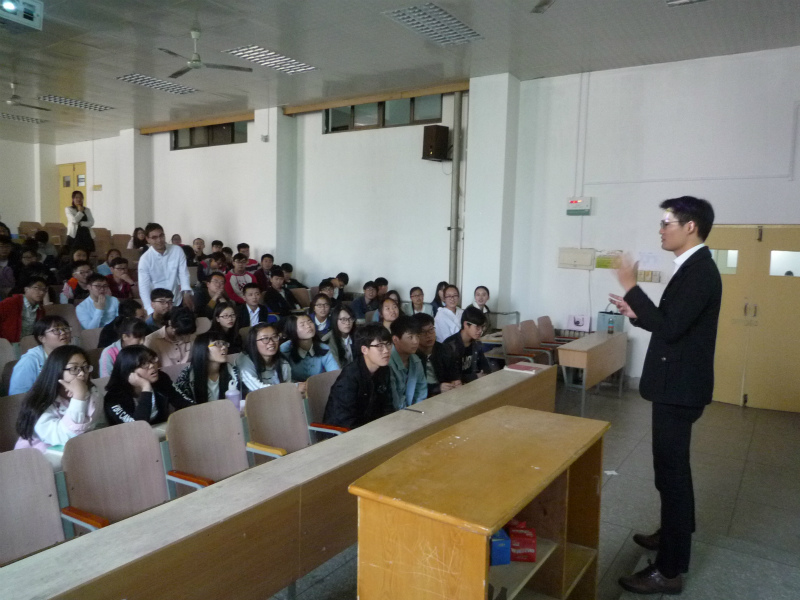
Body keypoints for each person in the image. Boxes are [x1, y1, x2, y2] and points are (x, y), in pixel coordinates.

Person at [611, 196, 722, 596]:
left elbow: (671, 328)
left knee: (672, 477)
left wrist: (630, 285)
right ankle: (673, 534)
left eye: (666, 222)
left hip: (680, 389)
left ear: (690, 226)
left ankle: (669, 570)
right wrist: (636, 312)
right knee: (671, 472)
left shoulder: (701, 271)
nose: (661, 229)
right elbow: (670, 323)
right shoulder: (691, 267)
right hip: (677, 385)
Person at [14, 345, 100, 452]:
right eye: (74, 368)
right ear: (57, 371)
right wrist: (78, 398)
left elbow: (94, 428)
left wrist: (80, 396)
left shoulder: (92, 393)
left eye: (85, 367)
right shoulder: (40, 403)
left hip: (76, 453)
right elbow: (65, 438)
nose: (82, 373)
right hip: (36, 457)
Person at [322, 323, 394, 430]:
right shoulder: (349, 377)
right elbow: (344, 420)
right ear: (364, 349)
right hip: (342, 433)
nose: (386, 350)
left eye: (388, 344)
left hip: (372, 428)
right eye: (379, 346)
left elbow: (387, 407)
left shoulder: (384, 370)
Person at [104, 345, 192, 425]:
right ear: (129, 371)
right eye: (144, 364)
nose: (152, 366)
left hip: (161, 432)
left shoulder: (161, 379)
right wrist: (146, 388)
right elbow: (137, 427)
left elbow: (185, 403)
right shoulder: (113, 398)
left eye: (152, 360)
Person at [137, 222, 194, 315]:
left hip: (176, 300)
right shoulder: (145, 259)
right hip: (158, 305)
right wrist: (150, 310)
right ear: (147, 239)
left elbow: (183, 273)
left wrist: (186, 293)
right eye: (154, 237)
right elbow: (144, 287)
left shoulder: (177, 250)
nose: (159, 240)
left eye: (161, 236)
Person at [8, 316, 71, 395]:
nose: (63, 332)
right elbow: (17, 396)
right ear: (42, 338)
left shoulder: (73, 355)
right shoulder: (29, 361)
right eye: (56, 330)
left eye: (65, 328)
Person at [174, 331, 241, 404]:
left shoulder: (233, 372)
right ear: (203, 348)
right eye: (217, 343)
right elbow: (184, 406)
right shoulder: (187, 376)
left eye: (224, 343)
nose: (224, 347)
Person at [279, 314, 338, 389]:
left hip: (318, 388)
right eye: (302, 325)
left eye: (309, 322)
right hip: (292, 390)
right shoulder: (285, 349)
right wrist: (296, 386)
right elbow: (282, 379)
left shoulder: (323, 348)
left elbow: (335, 374)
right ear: (293, 330)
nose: (308, 326)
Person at [438, 306, 492, 385]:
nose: (480, 331)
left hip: (473, 385)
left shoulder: (477, 344)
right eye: (477, 327)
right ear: (466, 324)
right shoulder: (449, 345)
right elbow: (450, 377)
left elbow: (486, 368)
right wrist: (475, 376)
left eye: (482, 327)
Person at [237, 323, 292, 393]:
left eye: (274, 337)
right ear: (253, 342)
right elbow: (258, 390)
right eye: (265, 338)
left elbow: (288, 386)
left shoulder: (283, 362)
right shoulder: (245, 360)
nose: (271, 342)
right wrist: (291, 388)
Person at [413, 313, 456, 397]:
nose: (428, 335)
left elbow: (454, 372)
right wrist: (437, 388)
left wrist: (455, 381)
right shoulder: (412, 356)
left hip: (446, 394)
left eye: (431, 329)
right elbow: (415, 387)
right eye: (423, 332)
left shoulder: (444, 349)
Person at [389, 316, 427, 410]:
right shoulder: (388, 363)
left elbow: (421, 391)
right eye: (410, 337)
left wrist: (418, 410)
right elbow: (394, 401)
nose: (416, 341)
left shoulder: (416, 361)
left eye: (417, 336)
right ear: (395, 340)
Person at [0, 274, 47, 342]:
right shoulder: (11, 303)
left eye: (44, 290)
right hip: (7, 344)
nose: (42, 292)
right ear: (26, 289)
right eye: (37, 288)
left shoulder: (41, 310)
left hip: (27, 343)